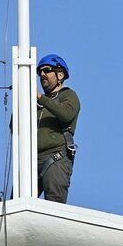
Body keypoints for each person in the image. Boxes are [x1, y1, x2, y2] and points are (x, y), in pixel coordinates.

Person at [36, 54, 80, 203]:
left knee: (54, 205)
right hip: (32, 159)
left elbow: (66, 114)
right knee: (17, 203)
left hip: (55, 157)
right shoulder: (35, 102)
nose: (42, 74)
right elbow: (14, 127)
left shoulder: (68, 95)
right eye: (39, 72)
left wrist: (40, 98)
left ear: (60, 75)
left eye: (47, 70)